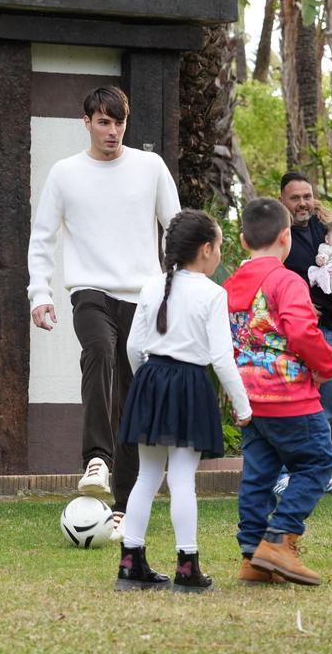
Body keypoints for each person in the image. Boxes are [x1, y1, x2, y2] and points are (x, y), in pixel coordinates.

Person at [27, 86, 181, 536]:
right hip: (89, 291)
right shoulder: (64, 173)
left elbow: (175, 229)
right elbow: (43, 239)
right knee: (97, 350)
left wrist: (179, 289)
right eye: (103, 122)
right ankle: (97, 460)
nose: (112, 131)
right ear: (87, 123)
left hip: (144, 296)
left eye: (119, 123)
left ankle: (124, 506)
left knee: (133, 398)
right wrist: (40, 294)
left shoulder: (150, 167)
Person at [114, 210, 252, 593]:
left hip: (151, 379)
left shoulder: (151, 286)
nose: (220, 253)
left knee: (146, 476)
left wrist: (147, 381)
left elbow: (133, 347)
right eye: (219, 246)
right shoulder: (213, 293)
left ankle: (130, 561)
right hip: (189, 384)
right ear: (206, 249)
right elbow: (223, 359)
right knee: (182, 480)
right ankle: (187, 567)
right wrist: (243, 408)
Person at [224, 198, 332, 586]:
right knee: (317, 462)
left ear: (243, 241)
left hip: (249, 399)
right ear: (286, 238)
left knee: (258, 475)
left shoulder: (228, 286)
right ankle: (279, 538)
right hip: (290, 397)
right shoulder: (286, 280)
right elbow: (301, 330)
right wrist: (327, 366)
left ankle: (252, 558)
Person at [278, 173, 332, 486]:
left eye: (307, 196)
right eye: (295, 198)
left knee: (323, 405)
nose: (303, 203)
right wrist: (297, 301)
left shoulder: (324, 230)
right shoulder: (278, 235)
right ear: (282, 202)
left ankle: (321, 474)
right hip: (288, 332)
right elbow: (268, 278)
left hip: (326, 329)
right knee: (290, 402)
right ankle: (286, 475)